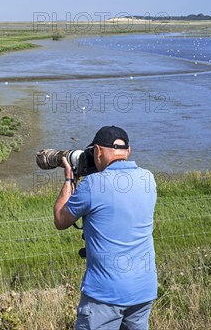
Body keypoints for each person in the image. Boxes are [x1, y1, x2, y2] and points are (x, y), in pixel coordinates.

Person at [53, 126, 157, 330]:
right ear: (128, 151)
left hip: (105, 295)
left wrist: (69, 178)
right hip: (143, 290)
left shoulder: (92, 185)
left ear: (98, 151)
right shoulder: (148, 179)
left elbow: (60, 220)